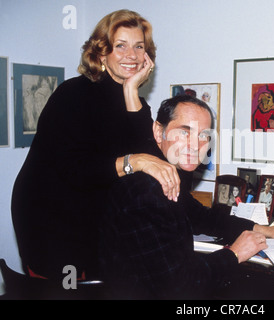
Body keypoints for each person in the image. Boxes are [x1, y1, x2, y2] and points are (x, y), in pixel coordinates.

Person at [11, 10, 180, 280]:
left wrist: (130, 90)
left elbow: (149, 164)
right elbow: (75, 170)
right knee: (72, 291)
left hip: (95, 219)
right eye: (120, 45)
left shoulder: (135, 101)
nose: (132, 55)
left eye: (139, 46)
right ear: (101, 52)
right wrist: (133, 162)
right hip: (52, 219)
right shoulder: (73, 94)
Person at [99, 95, 274, 299]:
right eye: (184, 132)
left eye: (203, 135)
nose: (195, 145)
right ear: (158, 131)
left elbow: (203, 217)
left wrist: (267, 230)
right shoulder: (146, 192)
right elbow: (179, 288)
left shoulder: (166, 177)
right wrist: (234, 254)